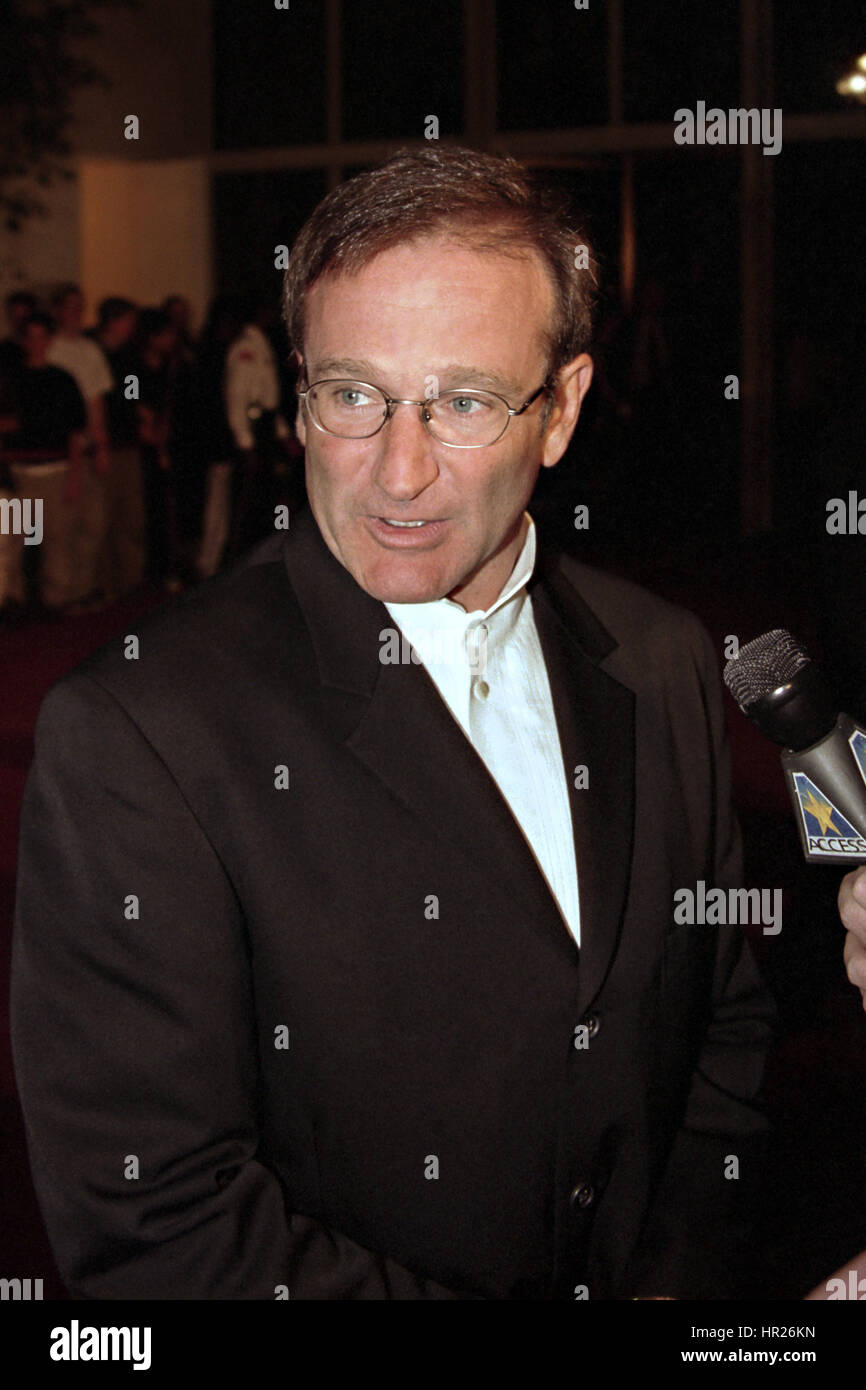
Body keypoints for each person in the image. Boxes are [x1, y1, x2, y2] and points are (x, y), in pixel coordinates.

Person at [11, 147, 776, 1301]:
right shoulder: (139, 729)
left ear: (559, 408)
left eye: (463, 401)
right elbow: (160, 1224)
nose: (397, 472)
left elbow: (723, 1036)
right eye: (353, 394)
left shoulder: (662, 658)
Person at [2, 313, 87, 612]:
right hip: (17, 472)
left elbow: (77, 432)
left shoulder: (63, 380)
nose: (37, 343)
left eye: (42, 336)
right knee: (12, 540)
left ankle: (56, 599)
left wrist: (75, 475)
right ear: (24, 340)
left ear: (50, 340)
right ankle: (12, 596)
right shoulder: (10, 380)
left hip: (55, 470)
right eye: (31, 337)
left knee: (57, 539)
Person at [47, 284, 114, 608]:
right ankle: (60, 593)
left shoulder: (90, 350)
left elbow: (96, 400)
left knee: (94, 522)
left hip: (87, 447)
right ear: (58, 310)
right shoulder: (49, 348)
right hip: (58, 452)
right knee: (62, 525)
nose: (75, 313)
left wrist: (101, 445)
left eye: (80, 306)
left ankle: (82, 588)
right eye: (69, 306)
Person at [89, 297, 146, 599]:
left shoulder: (129, 355)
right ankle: (102, 582)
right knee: (101, 516)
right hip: (102, 446)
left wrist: (142, 415)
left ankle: (130, 580)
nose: (132, 328)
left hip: (128, 443)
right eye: (127, 321)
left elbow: (133, 395)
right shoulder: (91, 350)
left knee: (130, 515)